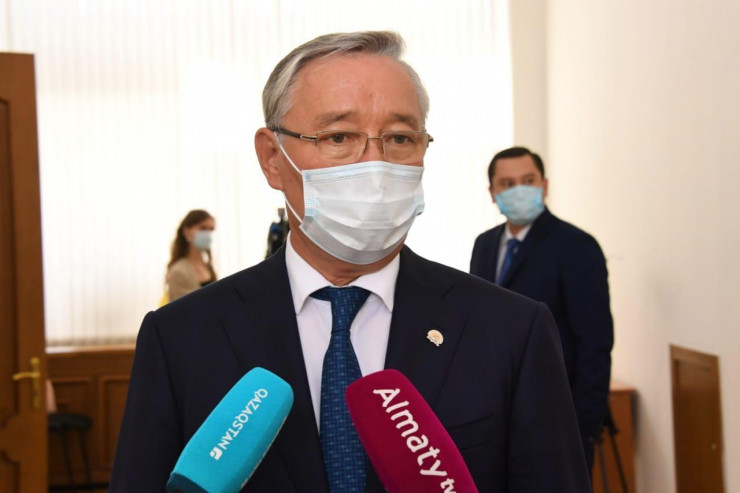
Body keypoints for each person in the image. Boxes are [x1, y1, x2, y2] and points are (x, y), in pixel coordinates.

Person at [110, 32, 590, 492]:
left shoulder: (511, 330)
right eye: (339, 136)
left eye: (399, 138)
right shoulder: (182, 337)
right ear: (273, 158)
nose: (374, 166)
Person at [470, 146, 614, 471]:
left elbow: (595, 342)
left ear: (544, 185)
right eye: (507, 184)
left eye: (528, 180)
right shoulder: (485, 244)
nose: (518, 190)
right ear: (492, 193)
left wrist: (582, 426)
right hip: (497, 413)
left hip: (558, 415)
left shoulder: (576, 245)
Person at [165, 209, 217, 302]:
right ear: (186, 231)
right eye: (203, 228)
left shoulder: (207, 267)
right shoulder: (178, 271)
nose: (207, 234)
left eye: (211, 229)